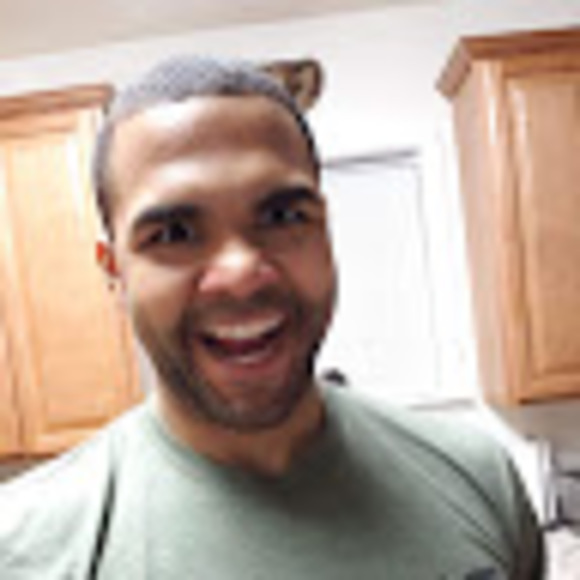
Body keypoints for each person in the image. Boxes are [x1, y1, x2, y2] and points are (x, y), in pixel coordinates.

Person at [0, 55, 543, 579]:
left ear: (324, 229)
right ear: (115, 270)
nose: (241, 274)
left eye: (282, 216)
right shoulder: (25, 548)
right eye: (174, 233)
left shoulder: (479, 479)